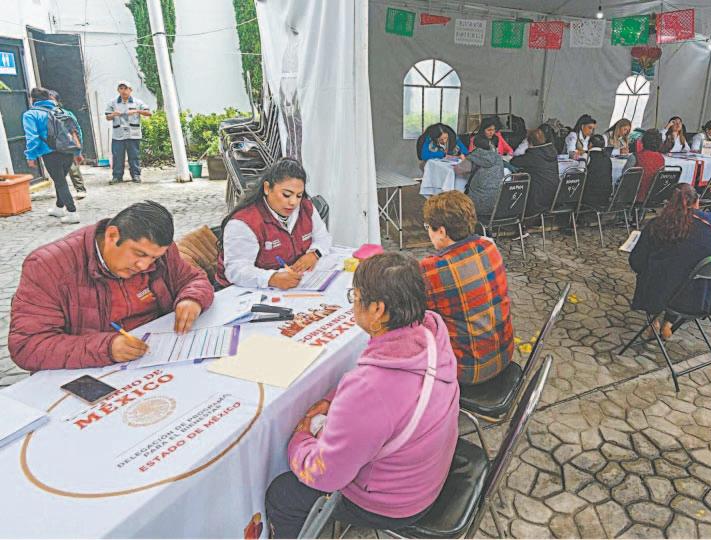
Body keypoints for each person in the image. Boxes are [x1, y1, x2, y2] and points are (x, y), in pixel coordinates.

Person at [265, 253, 459, 538]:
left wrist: (300, 438)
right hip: (427, 472)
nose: (353, 304)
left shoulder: (371, 389)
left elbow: (326, 476)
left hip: (397, 502)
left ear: (378, 309)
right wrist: (332, 399)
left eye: (354, 297)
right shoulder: (431, 332)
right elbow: (382, 394)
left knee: (282, 494)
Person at [8, 201, 214, 371]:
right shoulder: (48, 266)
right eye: (139, 254)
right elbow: (27, 346)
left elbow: (194, 279)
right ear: (112, 236)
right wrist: (106, 348)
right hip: (91, 370)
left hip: (159, 356)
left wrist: (192, 299)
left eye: (153, 258)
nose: (144, 265)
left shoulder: (159, 252)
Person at [420, 191, 514, 385]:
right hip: (504, 354)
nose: (428, 232)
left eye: (428, 227)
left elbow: (414, 315)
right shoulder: (489, 247)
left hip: (468, 370)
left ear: (442, 232)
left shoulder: (432, 269)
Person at [629, 184, 711, 339]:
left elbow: (637, 261)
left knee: (658, 272)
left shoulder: (657, 224)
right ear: (697, 202)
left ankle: (653, 319)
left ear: (668, 203)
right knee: (683, 272)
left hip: (661, 294)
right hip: (702, 296)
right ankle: (669, 322)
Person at [216, 158, 331, 289]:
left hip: (293, 284)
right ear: (267, 188)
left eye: (299, 195)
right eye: (286, 195)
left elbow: (323, 237)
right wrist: (271, 278)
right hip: (241, 291)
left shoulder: (306, 207)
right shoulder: (244, 222)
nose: (293, 202)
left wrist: (314, 254)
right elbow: (236, 270)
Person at [22, 87, 84, 224]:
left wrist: (31, 156)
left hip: (50, 153)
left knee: (60, 182)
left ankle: (72, 213)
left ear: (32, 99)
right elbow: (76, 131)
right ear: (48, 97)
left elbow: (32, 138)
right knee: (60, 180)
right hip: (68, 151)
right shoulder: (64, 112)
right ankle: (59, 208)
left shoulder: (31, 114)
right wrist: (78, 152)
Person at [105, 80, 151, 184]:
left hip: (133, 134)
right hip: (118, 134)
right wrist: (113, 114)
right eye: (121, 88)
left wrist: (136, 111)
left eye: (126, 88)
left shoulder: (137, 102)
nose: (123, 91)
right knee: (117, 157)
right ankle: (117, 176)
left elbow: (148, 113)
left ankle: (136, 175)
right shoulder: (112, 103)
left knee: (134, 156)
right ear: (118, 90)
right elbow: (107, 117)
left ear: (130, 90)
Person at [511, 126, 560, 215]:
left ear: (530, 142)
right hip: (553, 196)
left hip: (537, 199)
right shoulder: (552, 152)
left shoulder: (533, 154)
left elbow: (514, 161)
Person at [48, 90, 87, 200]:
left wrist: (77, 149)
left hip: (67, 145)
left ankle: (80, 189)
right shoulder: (44, 115)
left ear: (57, 101)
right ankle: (61, 193)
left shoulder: (66, 115)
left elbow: (74, 131)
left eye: (52, 100)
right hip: (53, 147)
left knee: (73, 168)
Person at [465, 134, 506, 217]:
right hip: (496, 204)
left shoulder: (474, 155)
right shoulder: (498, 157)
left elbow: (458, 170)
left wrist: (463, 159)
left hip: (475, 205)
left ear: (474, 146)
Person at [623, 128, 665, 202]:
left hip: (634, 195)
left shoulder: (635, 156)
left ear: (643, 141)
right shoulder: (661, 159)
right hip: (652, 196)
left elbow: (624, 175)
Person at [581, 134, 613, 208]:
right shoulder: (607, 158)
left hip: (590, 196)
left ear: (590, 144)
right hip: (605, 196)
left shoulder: (587, 156)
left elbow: (579, 173)